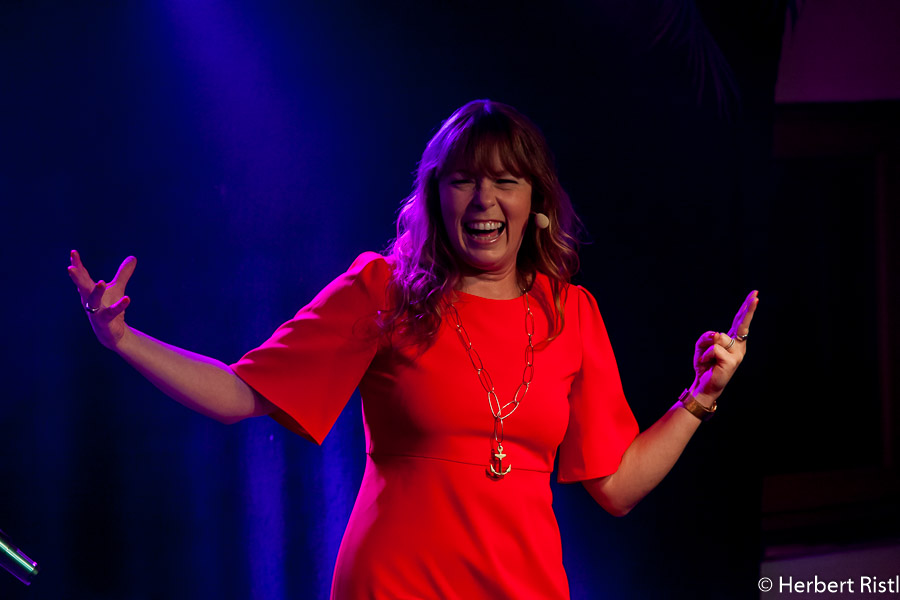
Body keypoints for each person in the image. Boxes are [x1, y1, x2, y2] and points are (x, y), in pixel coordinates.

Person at [68, 99, 757, 599]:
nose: (483, 199)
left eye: (505, 181)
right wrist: (123, 339)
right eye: (463, 179)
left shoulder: (570, 313)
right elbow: (239, 394)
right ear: (436, 196)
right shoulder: (384, 290)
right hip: (395, 583)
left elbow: (617, 486)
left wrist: (700, 397)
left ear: (535, 202)